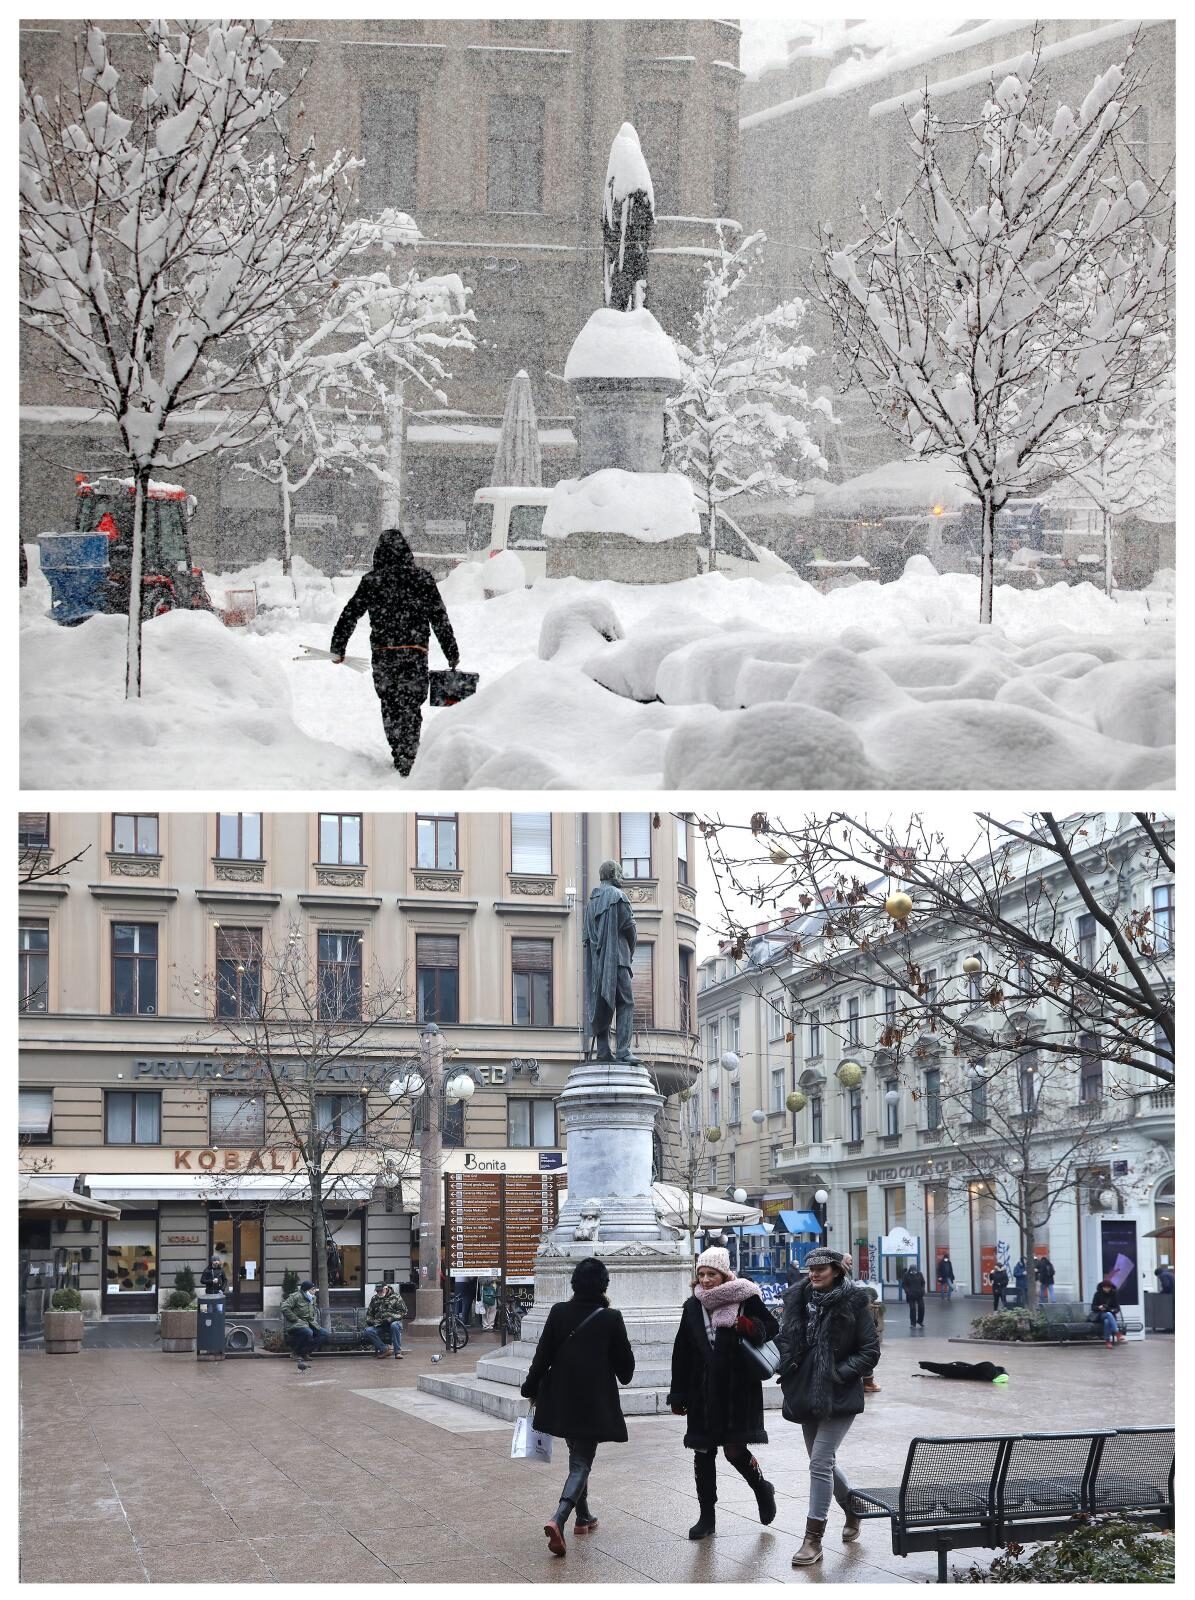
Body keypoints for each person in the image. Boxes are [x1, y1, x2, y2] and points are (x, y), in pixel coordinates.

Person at [521, 1257, 635, 1558]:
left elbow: (542, 1355)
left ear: (574, 1284)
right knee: (582, 1461)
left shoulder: (559, 1312)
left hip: (560, 1399)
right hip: (593, 1401)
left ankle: (584, 1517)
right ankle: (559, 1518)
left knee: (577, 1456)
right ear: (604, 1285)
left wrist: (530, 1387)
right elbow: (626, 1371)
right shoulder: (611, 1318)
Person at [668, 1246, 780, 1542]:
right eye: (701, 1274)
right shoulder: (692, 1306)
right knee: (703, 1452)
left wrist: (743, 1325)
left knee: (734, 1450)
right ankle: (707, 1517)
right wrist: (677, 1395)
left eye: (711, 1274)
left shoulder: (745, 1297)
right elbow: (681, 1352)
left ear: (724, 1275)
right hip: (702, 1392)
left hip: (737, 1390)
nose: (705, 1280)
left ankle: (761, 1488)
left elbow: (771, 1327)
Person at [777, 1246, 880, 1567]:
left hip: (838, 1394)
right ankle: (853, 1507)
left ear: (837, 1269)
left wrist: (839, 1373)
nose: (814, 1273)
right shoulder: (798, 1300)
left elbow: (870, 1351)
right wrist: (782, 1360)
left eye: (821, 1268)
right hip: (807, 1391)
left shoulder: (854, 1302)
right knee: (821, 1461)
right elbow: (786, 1340)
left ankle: (813, 1539)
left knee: (820, 1463)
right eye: (811, 1268)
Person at [329, 526, 460, 776]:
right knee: (411, 704)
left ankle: (399, 748)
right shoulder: (422, 579)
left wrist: (338, 646)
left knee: (390, 703)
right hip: (415, 651)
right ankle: (409, 751)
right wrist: (451, 652)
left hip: (385, 653)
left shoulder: (372, 581)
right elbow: (439, 618)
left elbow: (350, 614)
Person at [583, 860, 639, 1064]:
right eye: (621, 873)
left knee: (601, 1003)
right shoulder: (618, 897)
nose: (622, 877)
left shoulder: (591, 903)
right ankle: (623, 1049)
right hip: (618, 959)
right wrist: (630, 952)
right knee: (626, 1002)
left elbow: (586, 938)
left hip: (597, 963)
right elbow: (630, 929)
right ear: (614, 873)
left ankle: (604, 1050)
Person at [281, 1279, 328, 1370]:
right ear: (306, 1290)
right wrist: (295, 1318)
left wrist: (313, 1320)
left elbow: (312, 1311)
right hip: (296, 1324)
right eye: (312, 1289)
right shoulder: (295, 1297)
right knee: (308, 1332)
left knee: (324, 1334)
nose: (314, 1291)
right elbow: (284, 1307)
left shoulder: (313, 1298)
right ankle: (296, 1353)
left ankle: (305, 1352)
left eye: (315, 1289)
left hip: (310, 1323)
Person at [363, 1283, 406, 1359]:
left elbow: (403, 1311)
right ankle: (385, 1349)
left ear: (386, 1289)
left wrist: (391, 1318)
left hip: (393, 1323)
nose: (379, 1293)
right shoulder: (374, 1299)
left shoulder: (396, 1297)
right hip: (380, 1325)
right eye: (377, 1291)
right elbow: (369, 1314)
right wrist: (371, 1321)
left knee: (394, 1325)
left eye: (381, 1290)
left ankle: (398, 1352)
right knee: (368, 1331)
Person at [1091, 1277, 1124, 1347]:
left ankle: (1108, 1341)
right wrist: (1099, 1307)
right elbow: (1093, 1307)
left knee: (1107, 1321)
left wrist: (1112, 1310)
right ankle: (1117, 1332)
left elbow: (1117, 1308)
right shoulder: (1097, 1294)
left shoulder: (1114, 1294)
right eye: (1105, 1288)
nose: (1107, 1289)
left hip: (1111, 1315)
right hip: (1100, 1315)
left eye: (1108, 1288)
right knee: (1107, 1315)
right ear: (1102, 1287)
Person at [902, 1263, 926, 1328]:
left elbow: (923, 1282)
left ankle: (920, 1321)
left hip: (919, 1294)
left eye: (915, 1271)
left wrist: (922, 1289)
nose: (914, 1272)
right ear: (910, 1270)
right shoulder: (906, 1275)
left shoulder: (920, 1274)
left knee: (922, 1307)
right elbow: (904, 1284)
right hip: (911, 1295)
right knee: (912, 1309)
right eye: (912, 1271)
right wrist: (907, 1291)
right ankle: (913, 1323)